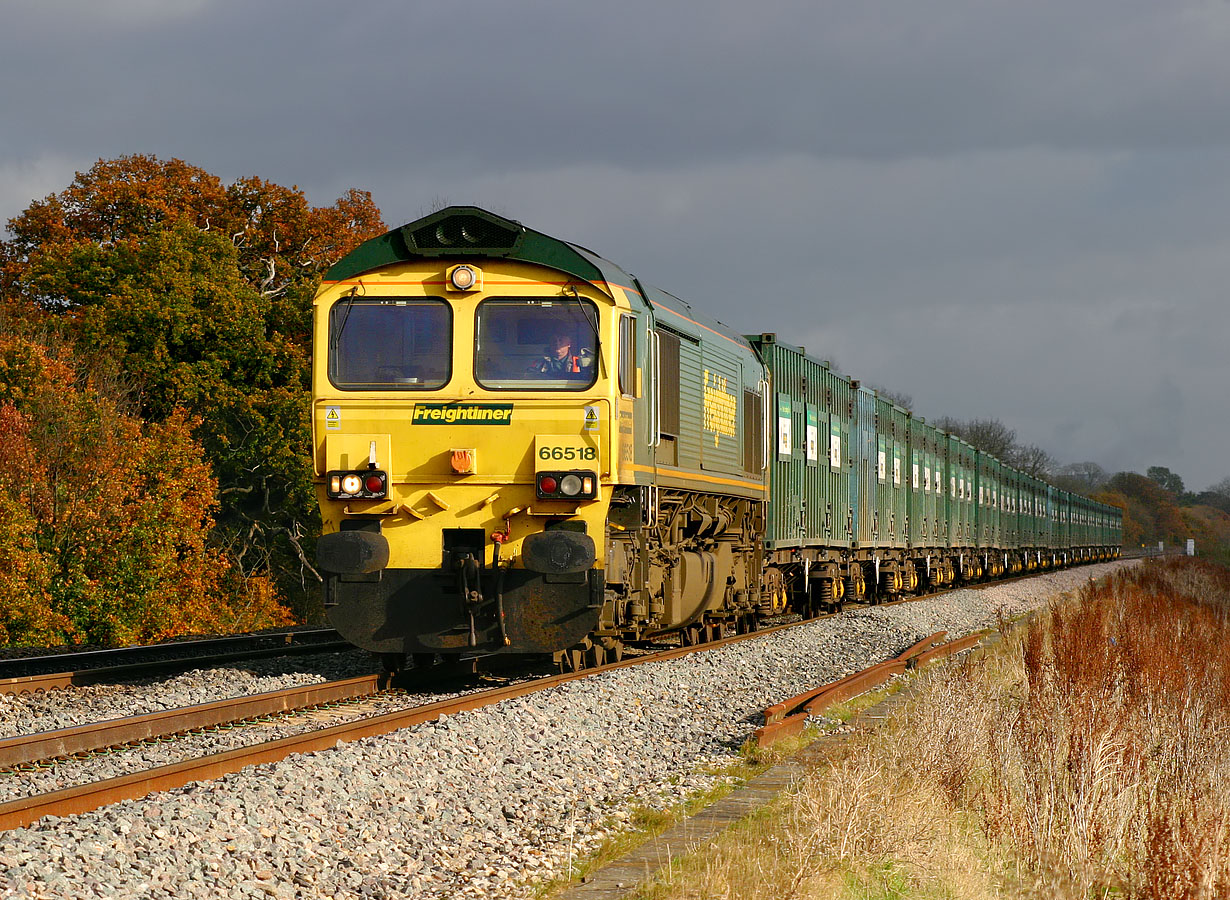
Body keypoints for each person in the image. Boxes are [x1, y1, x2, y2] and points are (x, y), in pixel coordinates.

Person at [528, 328, 594, 377]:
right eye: (554, 340)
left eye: (560, 340)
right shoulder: (538, 363)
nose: (557, 343)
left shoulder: (580, 363)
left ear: (569, 343)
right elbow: (529, 378)